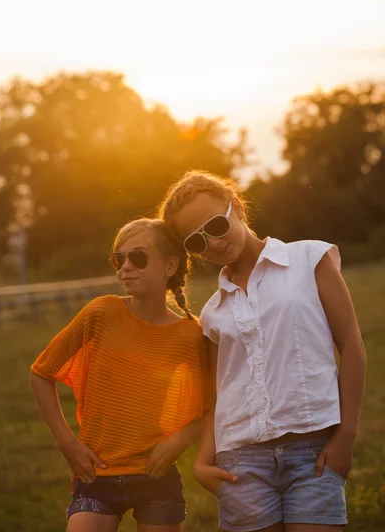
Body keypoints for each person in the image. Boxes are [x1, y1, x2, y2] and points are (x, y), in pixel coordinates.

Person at [158, 170, 366, 532]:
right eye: (197, 241)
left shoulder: (309, 259)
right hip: (241, 460)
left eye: (217, 225)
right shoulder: (212, 313)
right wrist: (203, 461)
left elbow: (352, 348)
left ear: (236, 207)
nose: (214, 243)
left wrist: (345, 435)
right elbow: (216, 393)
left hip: (314, 452)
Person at [30, 218, 211, 532]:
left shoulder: (191, 336)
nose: (125, 267)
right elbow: (40, 373)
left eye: (137, 257)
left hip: (157, 479)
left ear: (170, 265)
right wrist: (67, 444)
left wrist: (179, 441)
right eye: (118, 259)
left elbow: (213, 407)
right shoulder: (101, 312)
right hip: (96, 477)